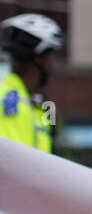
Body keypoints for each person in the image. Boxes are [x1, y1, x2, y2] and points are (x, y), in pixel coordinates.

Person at [0, 12, 63, 152]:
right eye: (50, 57)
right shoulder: (5, 96)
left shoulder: (46, 106)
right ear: (43, 59)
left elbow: (53, 150)